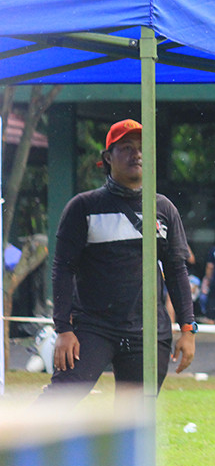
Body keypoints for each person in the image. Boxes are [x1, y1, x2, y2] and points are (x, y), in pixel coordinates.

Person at [46, 119, 196, 400]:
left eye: (141, 148)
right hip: (92, 327)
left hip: (148, 331)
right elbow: (62, 269)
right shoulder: (83, 207)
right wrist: (63, 330)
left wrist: (188, 329)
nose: (136, 154)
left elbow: (176, 271)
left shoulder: (163, 209)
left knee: (134, 422)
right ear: (107, 158)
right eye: (126, 147)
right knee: (59, 401)